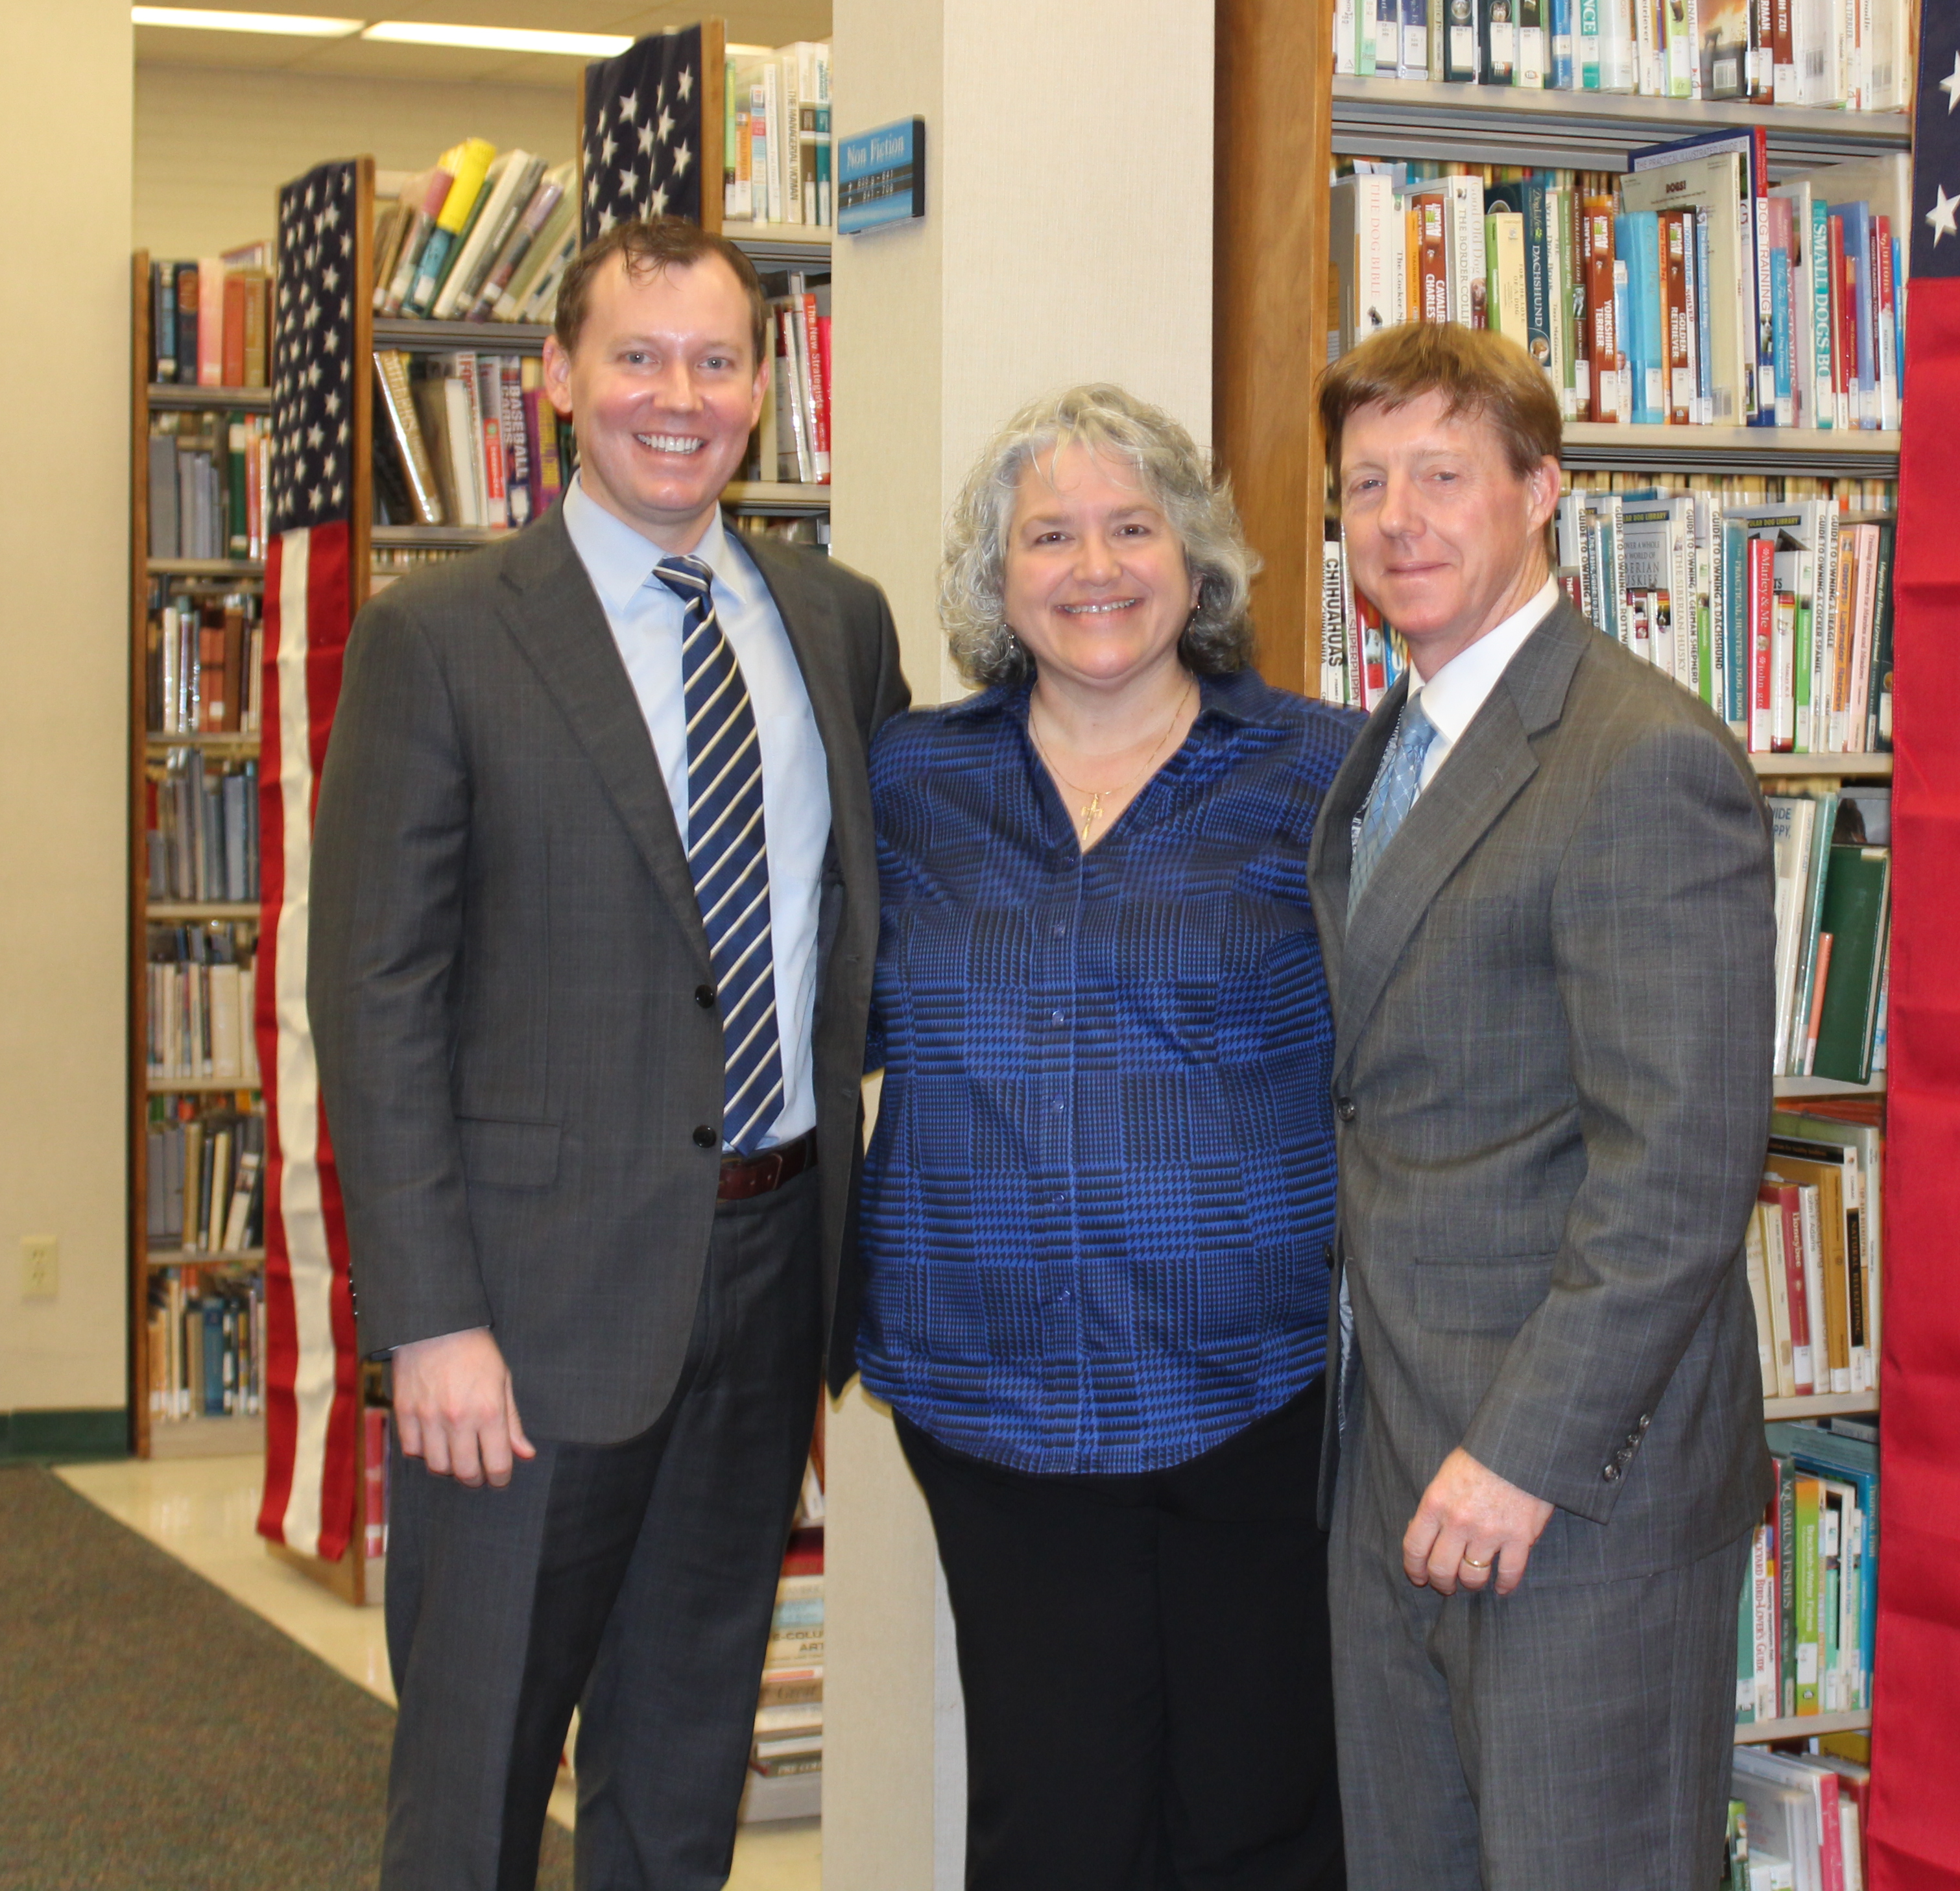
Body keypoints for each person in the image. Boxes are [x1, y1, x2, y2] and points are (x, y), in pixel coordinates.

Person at [311, 217, 911, 1891]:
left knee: (683, 1755)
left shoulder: (834, 626)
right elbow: (373, 997)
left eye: (717, 361)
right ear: (558, 378)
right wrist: (427, 1316)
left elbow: (881, 923)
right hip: (520, 1319)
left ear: (765, 388)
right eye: (638, 357)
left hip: (769, 1267)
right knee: (477, 1768)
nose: (679, 396)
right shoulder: (441, 639)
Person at [846, 385, 1363, 1891]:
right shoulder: (911, 782)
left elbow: (1409, 1056)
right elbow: (834, 1024)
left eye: (1133, 527)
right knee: (1052, 1812)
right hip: (989, 1386)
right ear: (994, 582)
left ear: (1195, 559)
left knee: (1260, 1810)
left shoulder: (1322, 775)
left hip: (1255, 1382)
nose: (1095, 566)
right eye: (1050, 535)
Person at [1308, 322, 1774, 1891]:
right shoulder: (1393, 746)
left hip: (1573, 1489)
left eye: (1443, 474)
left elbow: (1679, 1179)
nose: (1398, 520)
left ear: (1543, 492)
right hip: (1391, 1456)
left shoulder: (1642, 762)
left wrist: (1521, 1457)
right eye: (1366, 483)